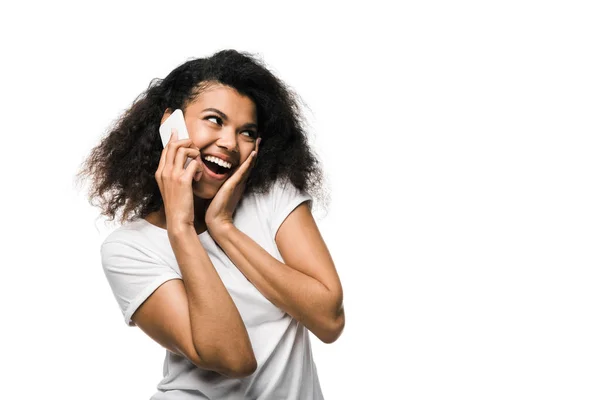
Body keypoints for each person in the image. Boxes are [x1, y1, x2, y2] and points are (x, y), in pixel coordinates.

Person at [76, 49, 345, 399]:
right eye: (214, 120)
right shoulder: (129, 249)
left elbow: (329, 320)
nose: (230, 143)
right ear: (169, 126)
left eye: (247, 132)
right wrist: (181, 227)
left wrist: (224, 228)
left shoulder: (272, 198)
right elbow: (234, 358)